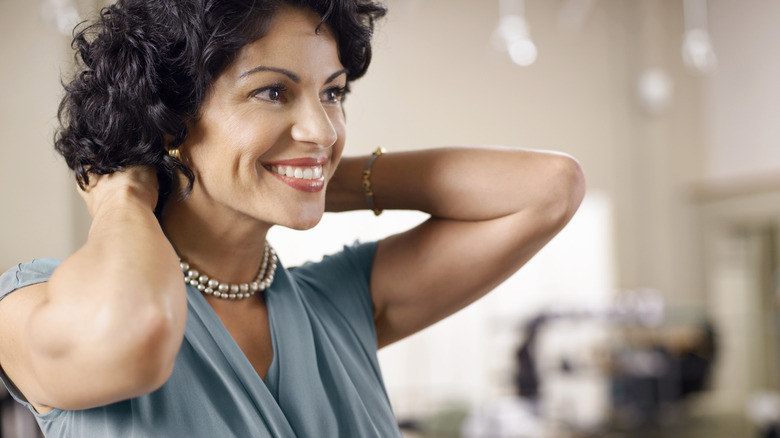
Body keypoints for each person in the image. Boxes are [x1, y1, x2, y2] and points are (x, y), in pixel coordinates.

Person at [0, 0, 586, 436]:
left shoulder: (338, 302)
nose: (323, 129)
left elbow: (549, 189)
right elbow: (133, 336)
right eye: (274, 93)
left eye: (331, 94)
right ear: (168, 122)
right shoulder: (32, 305)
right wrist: (123, 194)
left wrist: (310, 174)